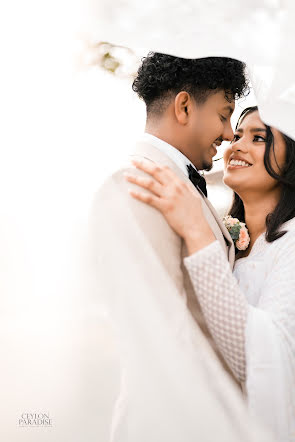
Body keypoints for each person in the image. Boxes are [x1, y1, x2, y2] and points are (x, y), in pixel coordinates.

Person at [89, 54, 273, 442]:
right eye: (224, 116)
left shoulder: (177, 187)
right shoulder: (135, 186)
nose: (227, 134)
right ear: (185, 106)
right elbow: (160, 337)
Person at [125, 105, 295, 441]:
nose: (234, 141)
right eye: (238, 132)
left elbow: (261, 358)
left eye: (258, 137)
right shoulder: (229, 239)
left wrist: (195, 230)